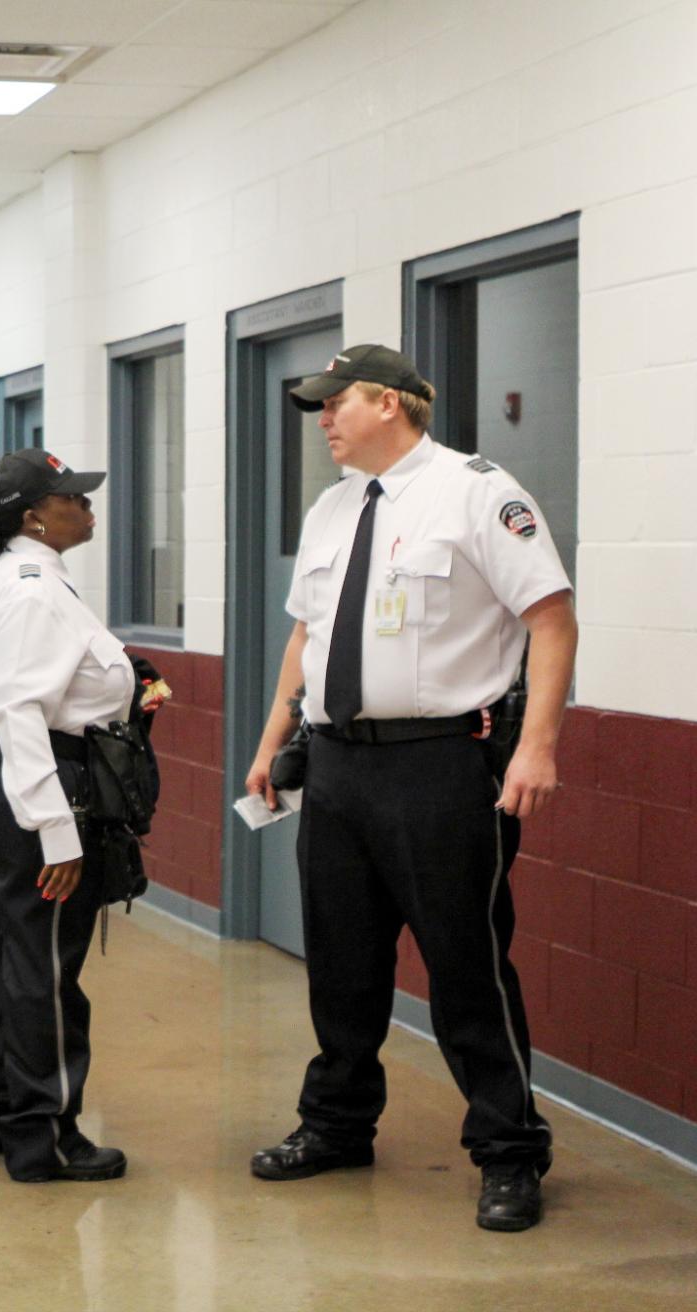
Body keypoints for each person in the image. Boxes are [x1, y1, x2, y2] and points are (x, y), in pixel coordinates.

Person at [242, 344, 577, 1232]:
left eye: (334, 403)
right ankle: (337, 1126)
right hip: (337, 763)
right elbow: (306, 635)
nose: (323, 421)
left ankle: (509, 1150)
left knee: (466, 967)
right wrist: (274, 734)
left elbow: (550, 619)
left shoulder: (475, 491)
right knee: (341, 966)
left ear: (389, 403)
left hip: (441, 767)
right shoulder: (330, 506)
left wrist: (534, 748)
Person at [0, 447, 133, 1183]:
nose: (86, 509)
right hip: (37, 775)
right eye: (72, 499)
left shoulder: (22, 576)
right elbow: (19, 709)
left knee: (16, 951)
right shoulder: (31, 588)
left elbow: (35, 683)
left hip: (8, 770)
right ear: (34, 518)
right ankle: (43, 1136)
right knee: (46, 966)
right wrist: (56, 832)